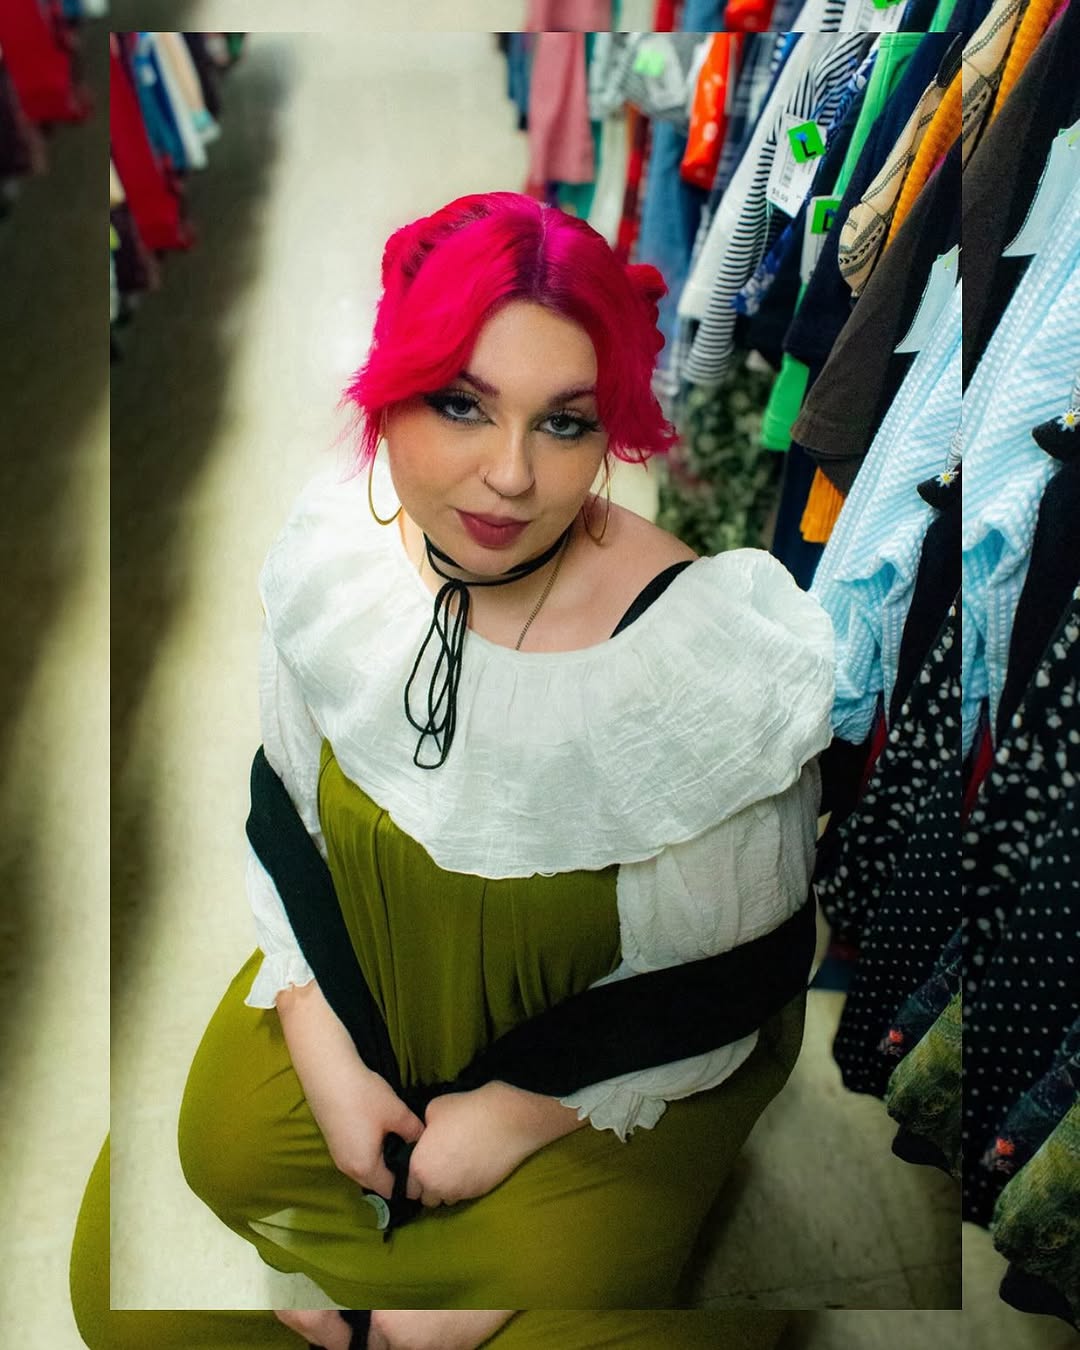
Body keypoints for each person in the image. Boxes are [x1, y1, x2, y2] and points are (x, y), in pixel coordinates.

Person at [72, 192, 833, 1350]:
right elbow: (287, 805)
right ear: (388, 394)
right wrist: (322, 1039)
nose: (511, 476)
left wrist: (524, 1113)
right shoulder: (343, 555)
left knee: (568, 1301)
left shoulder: (693, 662)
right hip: (383, 975)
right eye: (462, 405)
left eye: (564, 423)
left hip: (607, 1059)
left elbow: (728, 975)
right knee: (208, 1163)